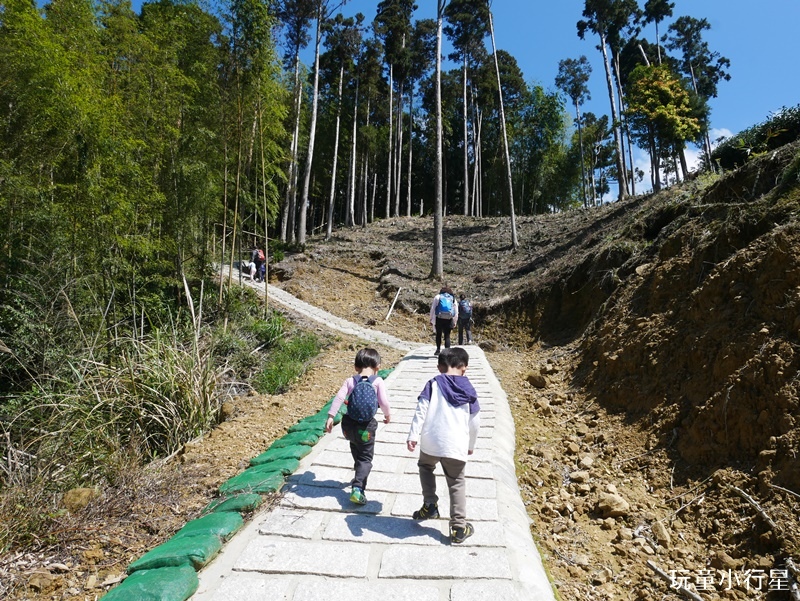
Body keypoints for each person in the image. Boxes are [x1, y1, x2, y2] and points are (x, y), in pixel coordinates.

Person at [407, 347, 480, 544]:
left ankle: (430, 504)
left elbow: (421, 410)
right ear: (464, 368)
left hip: (431, 441)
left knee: (425, 466)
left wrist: (413, 434)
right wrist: (471, 444)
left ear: (439, 367)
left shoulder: (433, 384)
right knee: (456, 482)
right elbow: (475, 422)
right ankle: (458, 527)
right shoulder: (470, 390)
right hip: (456, 445)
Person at [325, 348, 392, 505]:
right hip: (366, 428)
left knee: (356, 449)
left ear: (356, 367)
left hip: (348, 426)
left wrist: (330, 416)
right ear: (377, 367)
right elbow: (383, 402)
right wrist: (387, 415)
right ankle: (358, 489)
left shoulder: (350, 381)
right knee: (366, 458)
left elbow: (339, 398)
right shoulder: (377, 381)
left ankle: (358, 473)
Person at [430, 286, 458, 356]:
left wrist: (431, 319)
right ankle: (447, 352)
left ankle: (438, 350)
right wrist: (455, 321)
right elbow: (456, 311)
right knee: (447, 335)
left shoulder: (437, 297)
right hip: (449, 319)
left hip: (439, 318)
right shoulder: (452, 298)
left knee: (438, 334)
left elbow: (432, 309)